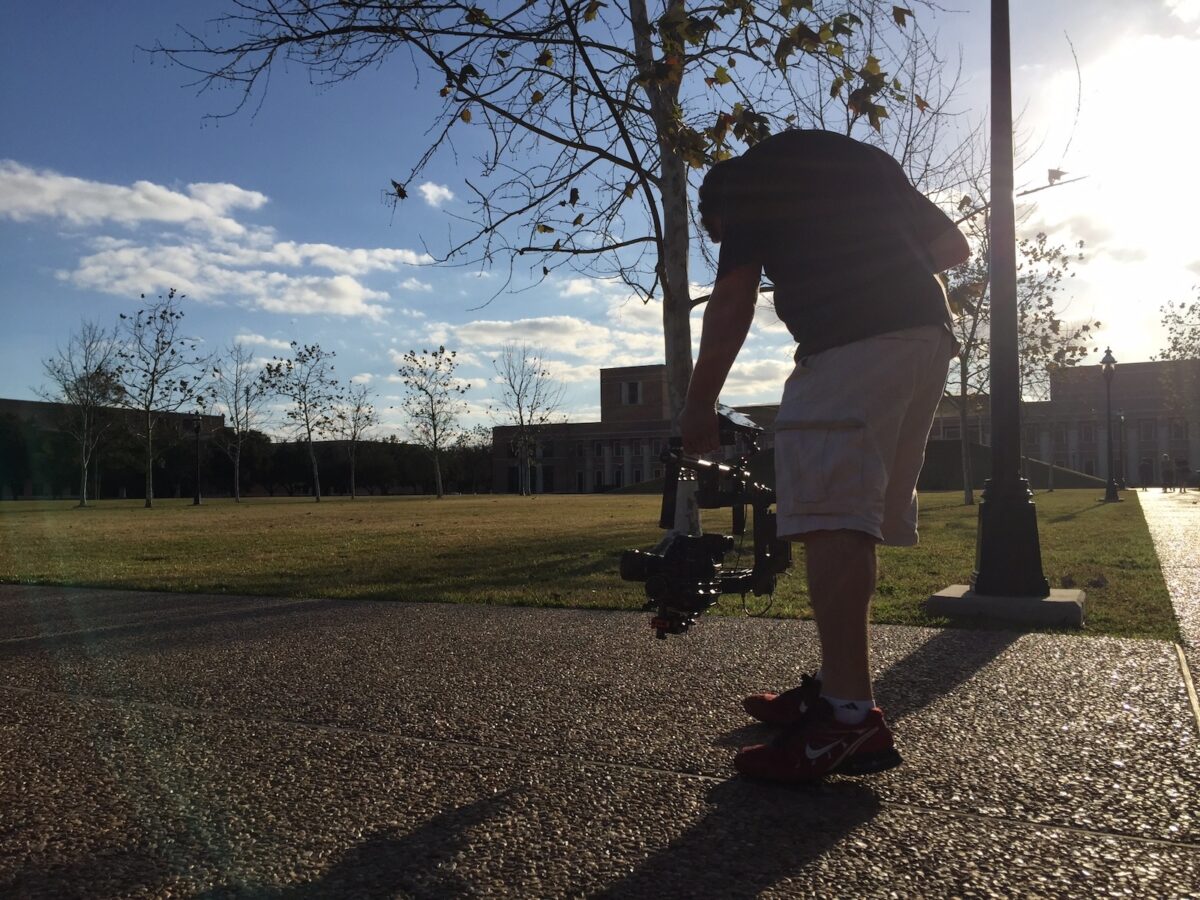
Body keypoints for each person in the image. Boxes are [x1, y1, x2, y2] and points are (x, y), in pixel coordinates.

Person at [681, 129, 969, 783]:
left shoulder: (749, 180)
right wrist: (874, 260)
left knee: (832, 519)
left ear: (717, 208)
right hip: (926, 339)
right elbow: (953, 247)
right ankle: (839, 686)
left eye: (721, 234)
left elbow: (733, 298)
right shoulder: (860, 157)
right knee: (851, 519)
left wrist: (699, 403)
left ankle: (846, 720)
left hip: (852, 342)